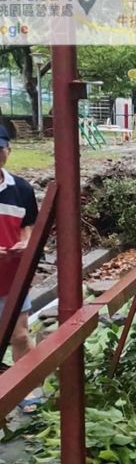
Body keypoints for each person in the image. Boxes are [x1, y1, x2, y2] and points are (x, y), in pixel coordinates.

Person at [0, 125, 40, 413]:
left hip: (12, 279)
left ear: (8, 151)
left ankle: (29, 391)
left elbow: (30, 228)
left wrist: (26, 243)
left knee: (19, 335)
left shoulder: (22, 190)